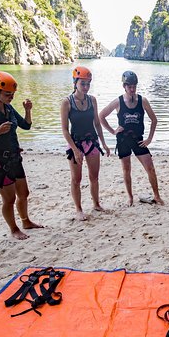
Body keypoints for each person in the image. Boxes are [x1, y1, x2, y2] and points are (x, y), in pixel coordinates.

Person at [0, 71, 43, 240]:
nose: (11, 97)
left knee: (24, 193)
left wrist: (28, 110)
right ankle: (13, 229)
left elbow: (26, 126)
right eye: (7, 94)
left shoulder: (9, 108)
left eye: (12, 94)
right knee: (9, 198)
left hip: (14, 158)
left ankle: (26, 221)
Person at [99, 70, 164, 206]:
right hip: (123, 141)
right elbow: (101, 116)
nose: (132, 89)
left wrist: (150, 139)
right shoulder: (118, 102)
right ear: (124, 86)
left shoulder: (142, 101)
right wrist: (113, 131)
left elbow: (154, 120)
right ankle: (130, 197)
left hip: (138, 140)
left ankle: (157, 196)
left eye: (134, 86)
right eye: (129, 86)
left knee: (150, 168)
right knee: (126, 170)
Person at [60, 66, 110, 221]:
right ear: (75, 83)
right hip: (75, 143)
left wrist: (104, 143)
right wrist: (75, 150)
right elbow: (65, 130)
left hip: (92, 142)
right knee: (76, 179)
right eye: (83, 84)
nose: (86, 87)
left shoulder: (92, 100)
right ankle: (78, 209)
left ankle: (96, 203)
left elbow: (97, 123)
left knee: (94, 176)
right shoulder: (67, 103)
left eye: (88, 83)